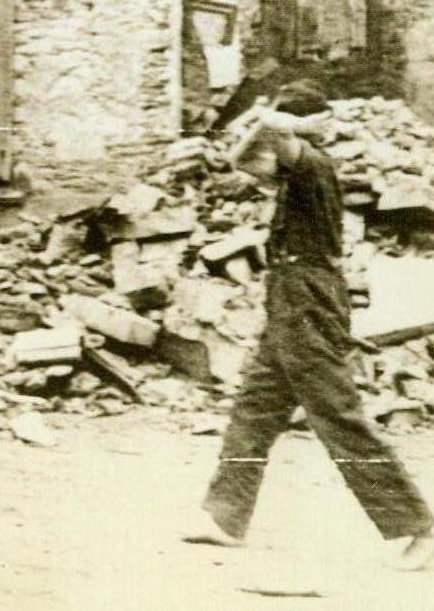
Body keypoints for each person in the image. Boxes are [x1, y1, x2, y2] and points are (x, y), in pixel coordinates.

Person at [185, 80, 434, 572]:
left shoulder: (311, 166)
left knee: (336, 415)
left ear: (296, 132)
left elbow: (270, 136)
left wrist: (284, 120)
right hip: (290, 296)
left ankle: (416, 524)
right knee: (255, 409)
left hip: (309, 300)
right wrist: (274, 120)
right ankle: (225, 517)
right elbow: (242, 157)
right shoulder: (297, 171)